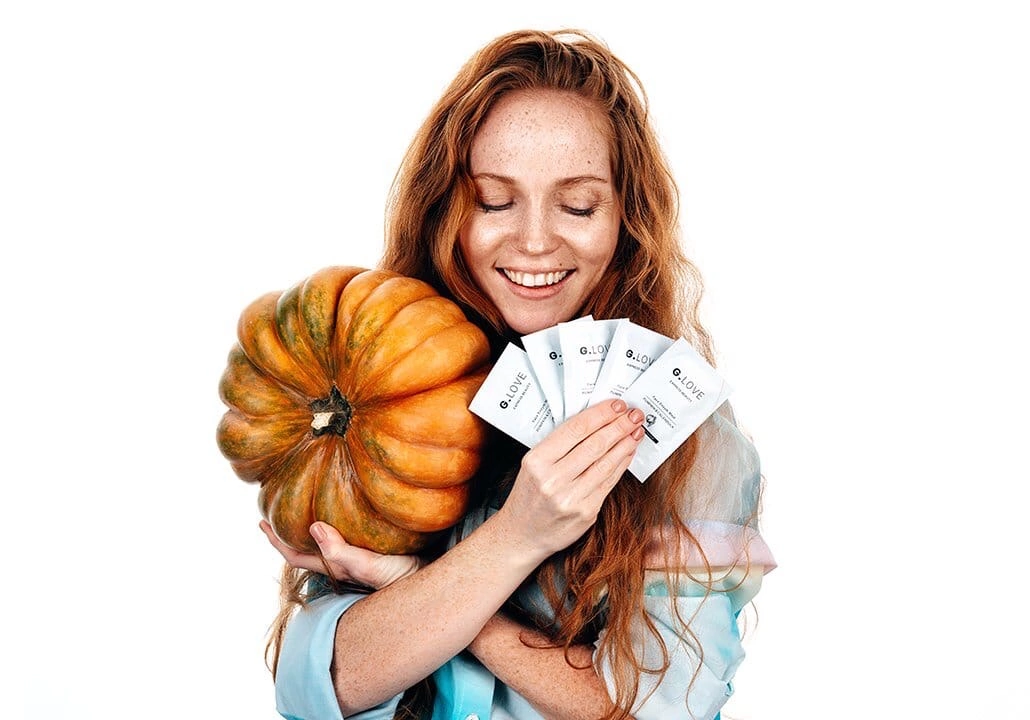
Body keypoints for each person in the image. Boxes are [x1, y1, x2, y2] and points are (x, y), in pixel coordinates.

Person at [259, 28, 775, 720]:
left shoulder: (693, 446)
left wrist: (429, 587)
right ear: (448, 209)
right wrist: (515, 539)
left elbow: (660, 715)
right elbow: (320, 684)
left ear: (626, 219)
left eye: (579, 204)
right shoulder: (382, 387)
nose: (534, 242)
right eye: (495, 200)